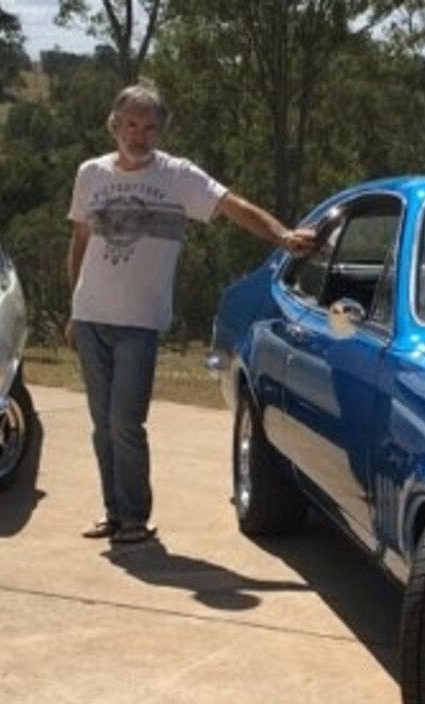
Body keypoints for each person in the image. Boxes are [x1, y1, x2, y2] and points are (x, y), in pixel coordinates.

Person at [66, 81, 316, 544]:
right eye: (131, 125)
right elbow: (80, 241)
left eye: (149, 127)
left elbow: (232, 206)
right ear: (114, 126)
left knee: (125, 422)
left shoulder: (178, 176)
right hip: (90, 315)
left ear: (161, 131)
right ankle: (114, 513)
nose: (139, 136)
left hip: (139, 322)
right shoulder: (90, 174)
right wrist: (72, 307)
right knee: (102, 425)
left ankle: (137, 518)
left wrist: (282, 235)